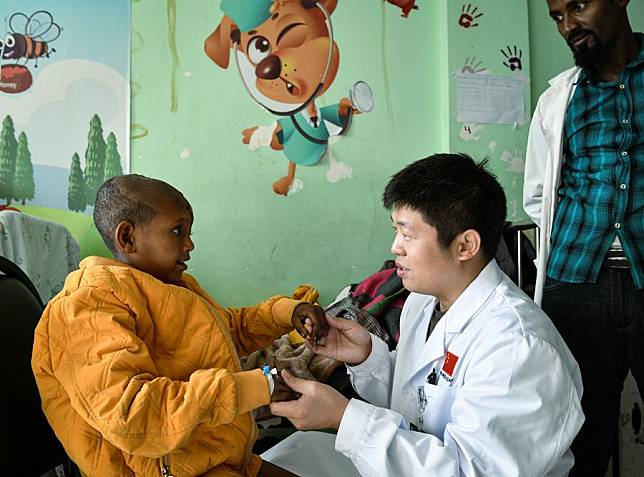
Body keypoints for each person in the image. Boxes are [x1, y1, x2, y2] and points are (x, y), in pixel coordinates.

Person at [265, 153, 584, 477]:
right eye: (396, 231)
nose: (395, 247)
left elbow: (468, 471)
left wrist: (344, 419)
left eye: (408, 234)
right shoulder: (422, 302)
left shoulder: (518, 347)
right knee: (288, 456)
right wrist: (367, 359)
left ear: (465, 246)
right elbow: (421, 400)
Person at [31, 174, 327, 477]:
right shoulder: (86, 306)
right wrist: (258, 386)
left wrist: (286, 312)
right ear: (128, 238)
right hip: (161, 470)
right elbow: (134, 415)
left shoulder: (170, 286)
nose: (190, 244)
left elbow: (225, 330)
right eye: (177, 231)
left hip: (208, 453)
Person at [523, 1, 643, 474]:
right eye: (556, 16)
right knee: (577, 436)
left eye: (578, 5)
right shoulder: (561, 98)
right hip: (574, 286)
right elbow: (538, 194)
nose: (568, 25)